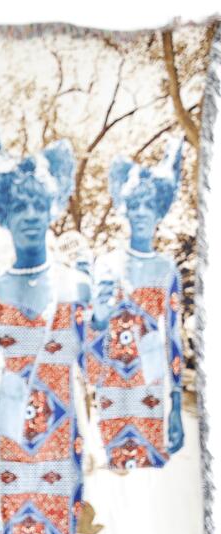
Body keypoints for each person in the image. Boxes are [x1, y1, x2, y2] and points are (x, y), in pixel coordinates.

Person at [0, 126, 88, 534]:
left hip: (68, 444)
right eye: (19, 206)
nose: (29, 215)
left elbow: (98, 369)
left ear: (51, 208)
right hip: (11, 452)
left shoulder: (76, 287)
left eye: (38, 204)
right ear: (4, 212)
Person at [86, 138, 186, 470]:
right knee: (115, 478)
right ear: (125, 209)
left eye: (149, 205)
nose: (142, 213)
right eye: (135, 204)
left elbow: (173, 334)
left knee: (149, 476)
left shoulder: (166, 269)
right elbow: (94, 329)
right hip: (111, 381)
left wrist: (175, 401)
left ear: (159, 209)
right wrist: (99, 320)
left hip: (151, 382)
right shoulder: (106, 263)